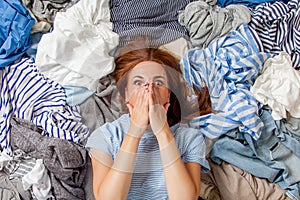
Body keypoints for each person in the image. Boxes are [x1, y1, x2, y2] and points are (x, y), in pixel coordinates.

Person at [85, 45, 210, 200]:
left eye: (158, 82)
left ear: (168, 94)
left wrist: (162, 132)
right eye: (138, 82)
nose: (149, 90)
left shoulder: (190, 138)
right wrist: (135, 131)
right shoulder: (105, 137)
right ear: (126, 94)